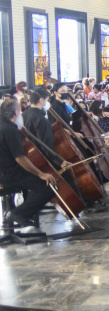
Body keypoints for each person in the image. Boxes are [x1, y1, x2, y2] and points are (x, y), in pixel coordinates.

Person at [0, 99, 56, 232]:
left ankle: (19, 214)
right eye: (20, 111)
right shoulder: (10, 130)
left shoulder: (3, 126)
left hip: (3, 172)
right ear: (15, 112)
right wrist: (41, 173)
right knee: (49, 186)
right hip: (10, 175)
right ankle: (19, 213)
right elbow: (20, 158)